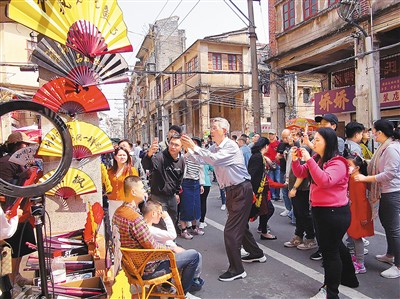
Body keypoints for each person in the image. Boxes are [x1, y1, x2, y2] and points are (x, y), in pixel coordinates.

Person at [181, 117, 266, 282]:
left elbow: (213, 159)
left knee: (231, 231)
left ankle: (237, 269)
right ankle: (256, 253)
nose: (211, 130)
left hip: (240, 189)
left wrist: (194, 147)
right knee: (240, 226)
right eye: (211, 127)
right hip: (232, 190)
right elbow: (202, 160)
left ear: (224, 131)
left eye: (214, 128)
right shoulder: (214, 147)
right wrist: (189, 150)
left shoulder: (231, 146)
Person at [292, 127, 358, 298]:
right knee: (335, 247)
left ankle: (330, 292)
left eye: (317, 140)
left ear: (328, 143)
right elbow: (300, 172)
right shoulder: (317, 159)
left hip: (334, 213)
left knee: (330, 253)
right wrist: (294, 161)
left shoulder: (338, 163)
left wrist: (309, 159)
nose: (314, 143)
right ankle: (349, 278)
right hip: (320, 211)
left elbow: (325, 181)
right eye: (314, 140)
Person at [112, 176, 201, 299]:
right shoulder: (135, 218)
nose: (145, 190)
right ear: (133, 192)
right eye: (142, 188)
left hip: (131, 266)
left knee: (174, 248)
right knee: (193, 256)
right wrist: (171, 249)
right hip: (148, 268)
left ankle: (167, 289)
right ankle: (182, 294)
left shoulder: (118, 212)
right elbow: (152, 246)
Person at [354, 119, 400, 279]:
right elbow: (378, 165)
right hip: (387, 191)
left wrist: (366, 179)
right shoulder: (385, 147)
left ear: (380, 132)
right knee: (388, 224)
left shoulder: (391, 149)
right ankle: (390, 254)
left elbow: (390, 173)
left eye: (373, 131)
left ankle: (398, 266)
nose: (371, 134)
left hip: (392, 191)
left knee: (394, 228)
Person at [0, 132, 37, 291]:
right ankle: (10, 281)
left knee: (22, 246)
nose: (27, 148)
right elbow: (7, 188)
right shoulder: (6, 162)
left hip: (22, 209)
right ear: (16, 146)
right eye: (24, 145)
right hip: (10, 211)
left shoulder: (21, 162)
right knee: (13, 248)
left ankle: (16, 275)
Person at [142, 200, 204, 292]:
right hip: (156, 266)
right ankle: (184, 291)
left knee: (181, 249)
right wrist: (167, 218)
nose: (161, 215)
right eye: (160, 213)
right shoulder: (151, 230)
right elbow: (172, 235)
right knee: (195, 255)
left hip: (152, 262)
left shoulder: (143, 226)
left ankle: (167, 287)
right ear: (153, 214)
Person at [141, 134, 185, 234]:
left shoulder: (181, 160)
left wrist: (177, 193)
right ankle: (162, 246)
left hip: (172, 197)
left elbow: (179, 178)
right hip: (158, 197)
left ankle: (171, 243)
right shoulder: (159, 157)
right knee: (160, 224)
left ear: (181, 147)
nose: (173, 147)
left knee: (172, 221)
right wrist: (149, 154)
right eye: (171, 144)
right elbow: (147, 165)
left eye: (176, 145)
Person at [284, 138, 316, 250]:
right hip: (295, 187)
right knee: (298, 213)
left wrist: (294, 188)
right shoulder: (291, 153)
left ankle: (310, 238)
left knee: (304, 214)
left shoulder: (302, 153)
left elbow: (302, 174)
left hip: (302, 189)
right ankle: (298, 236)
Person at [345, 154, 374, 274]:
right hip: (354, 211)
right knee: (354, 236)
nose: (347, 167)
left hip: (358, 213)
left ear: (357, 167)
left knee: (357, 238)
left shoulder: (357, 180)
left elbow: (361, 201)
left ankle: (360, 263)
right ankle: (358, 258)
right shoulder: (353, 178)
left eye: (349, 165)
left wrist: (363, 217)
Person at [247, 137, 279, 240]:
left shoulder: (260, 156)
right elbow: (252, 174)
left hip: (262, 189)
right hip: (257, 190)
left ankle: (263, 230)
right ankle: (242, 231)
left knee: (266, 210)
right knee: (252, 212)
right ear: (265, 146)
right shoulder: (257, 157)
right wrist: (253, 191)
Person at [179, 137, 204, 240]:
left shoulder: (199, 157)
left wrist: (201, 184)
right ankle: (183, 230)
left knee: (195, 206)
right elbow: (182, 162)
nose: (193, 145)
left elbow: (201, 171)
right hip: (186, 183)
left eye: (195, 144)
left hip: (196, 183)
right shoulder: (183, 156)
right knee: (185, 207)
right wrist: (190, 149)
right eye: (190, 143)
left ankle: (194, 227)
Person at [107, 147, 139, 218]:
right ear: (115, 157)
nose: (122, 157)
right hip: (113, 202)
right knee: (114, 225)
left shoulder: (132, 171)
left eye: (124, 155)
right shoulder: (109, 172)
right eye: (120, 155)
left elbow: (136, 186)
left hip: (127, 202)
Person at [276, 129, 293, 218]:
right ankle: (288, 208)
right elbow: (277, 156)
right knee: (284, 190)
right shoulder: (281, 144)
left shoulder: (294, 144)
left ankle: (293, 210)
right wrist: (281, 156)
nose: (285, 139)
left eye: (286, 137)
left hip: (292, 171)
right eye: (283, 137)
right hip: (283, 169)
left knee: (292, 191)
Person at [265, 129, 281, 201]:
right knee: (271, 180)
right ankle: (273, 195)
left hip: (277, 163)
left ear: (275, 135)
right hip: (269, 163)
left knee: (277, 180)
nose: (271, 135)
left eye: (272, 134)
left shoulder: (278, 143)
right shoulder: (266, 144)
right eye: (270, 134)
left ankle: (277, 195)